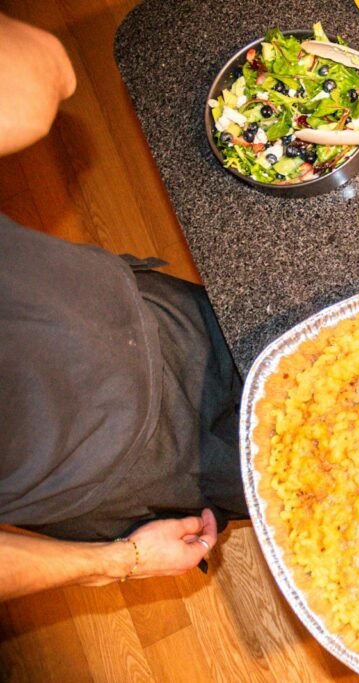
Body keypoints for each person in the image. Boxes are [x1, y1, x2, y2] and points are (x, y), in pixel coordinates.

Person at [0, 12, 247, 600]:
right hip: (114, 466)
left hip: (138, 312)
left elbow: (45, 75)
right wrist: (118, 560)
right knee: (298, 471)